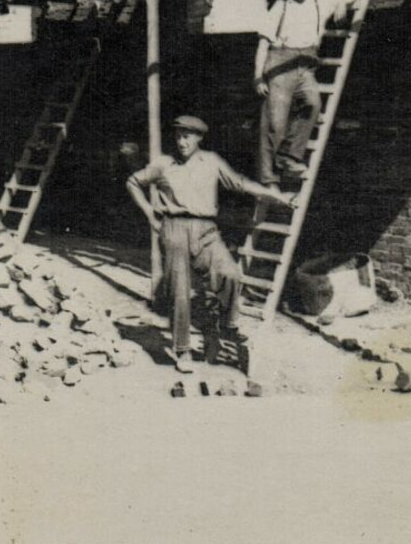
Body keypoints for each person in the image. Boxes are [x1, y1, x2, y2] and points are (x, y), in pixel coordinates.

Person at [126, 116, 294, 374]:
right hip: (174, 229)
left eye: (188, 136)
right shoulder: (163, 164)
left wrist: (276, 196)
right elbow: (133, 182)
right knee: (180, 292)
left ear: (199, 138)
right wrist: (150, 213)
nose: (182, 142)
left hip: (207, 230)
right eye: (179, 136)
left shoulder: (212, 162)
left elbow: (241, 183)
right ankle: (182, 350)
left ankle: (226, 328)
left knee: (229, 274)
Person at [254, 0, 361, 186]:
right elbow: (263, 43)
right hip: (280, 65)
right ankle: (268, 179)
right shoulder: (281, 6)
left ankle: (289, 156)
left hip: (306, 65)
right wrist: (258, 77)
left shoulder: (323, 0)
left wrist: (342, 2)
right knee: (274, 123)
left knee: (312, 104)